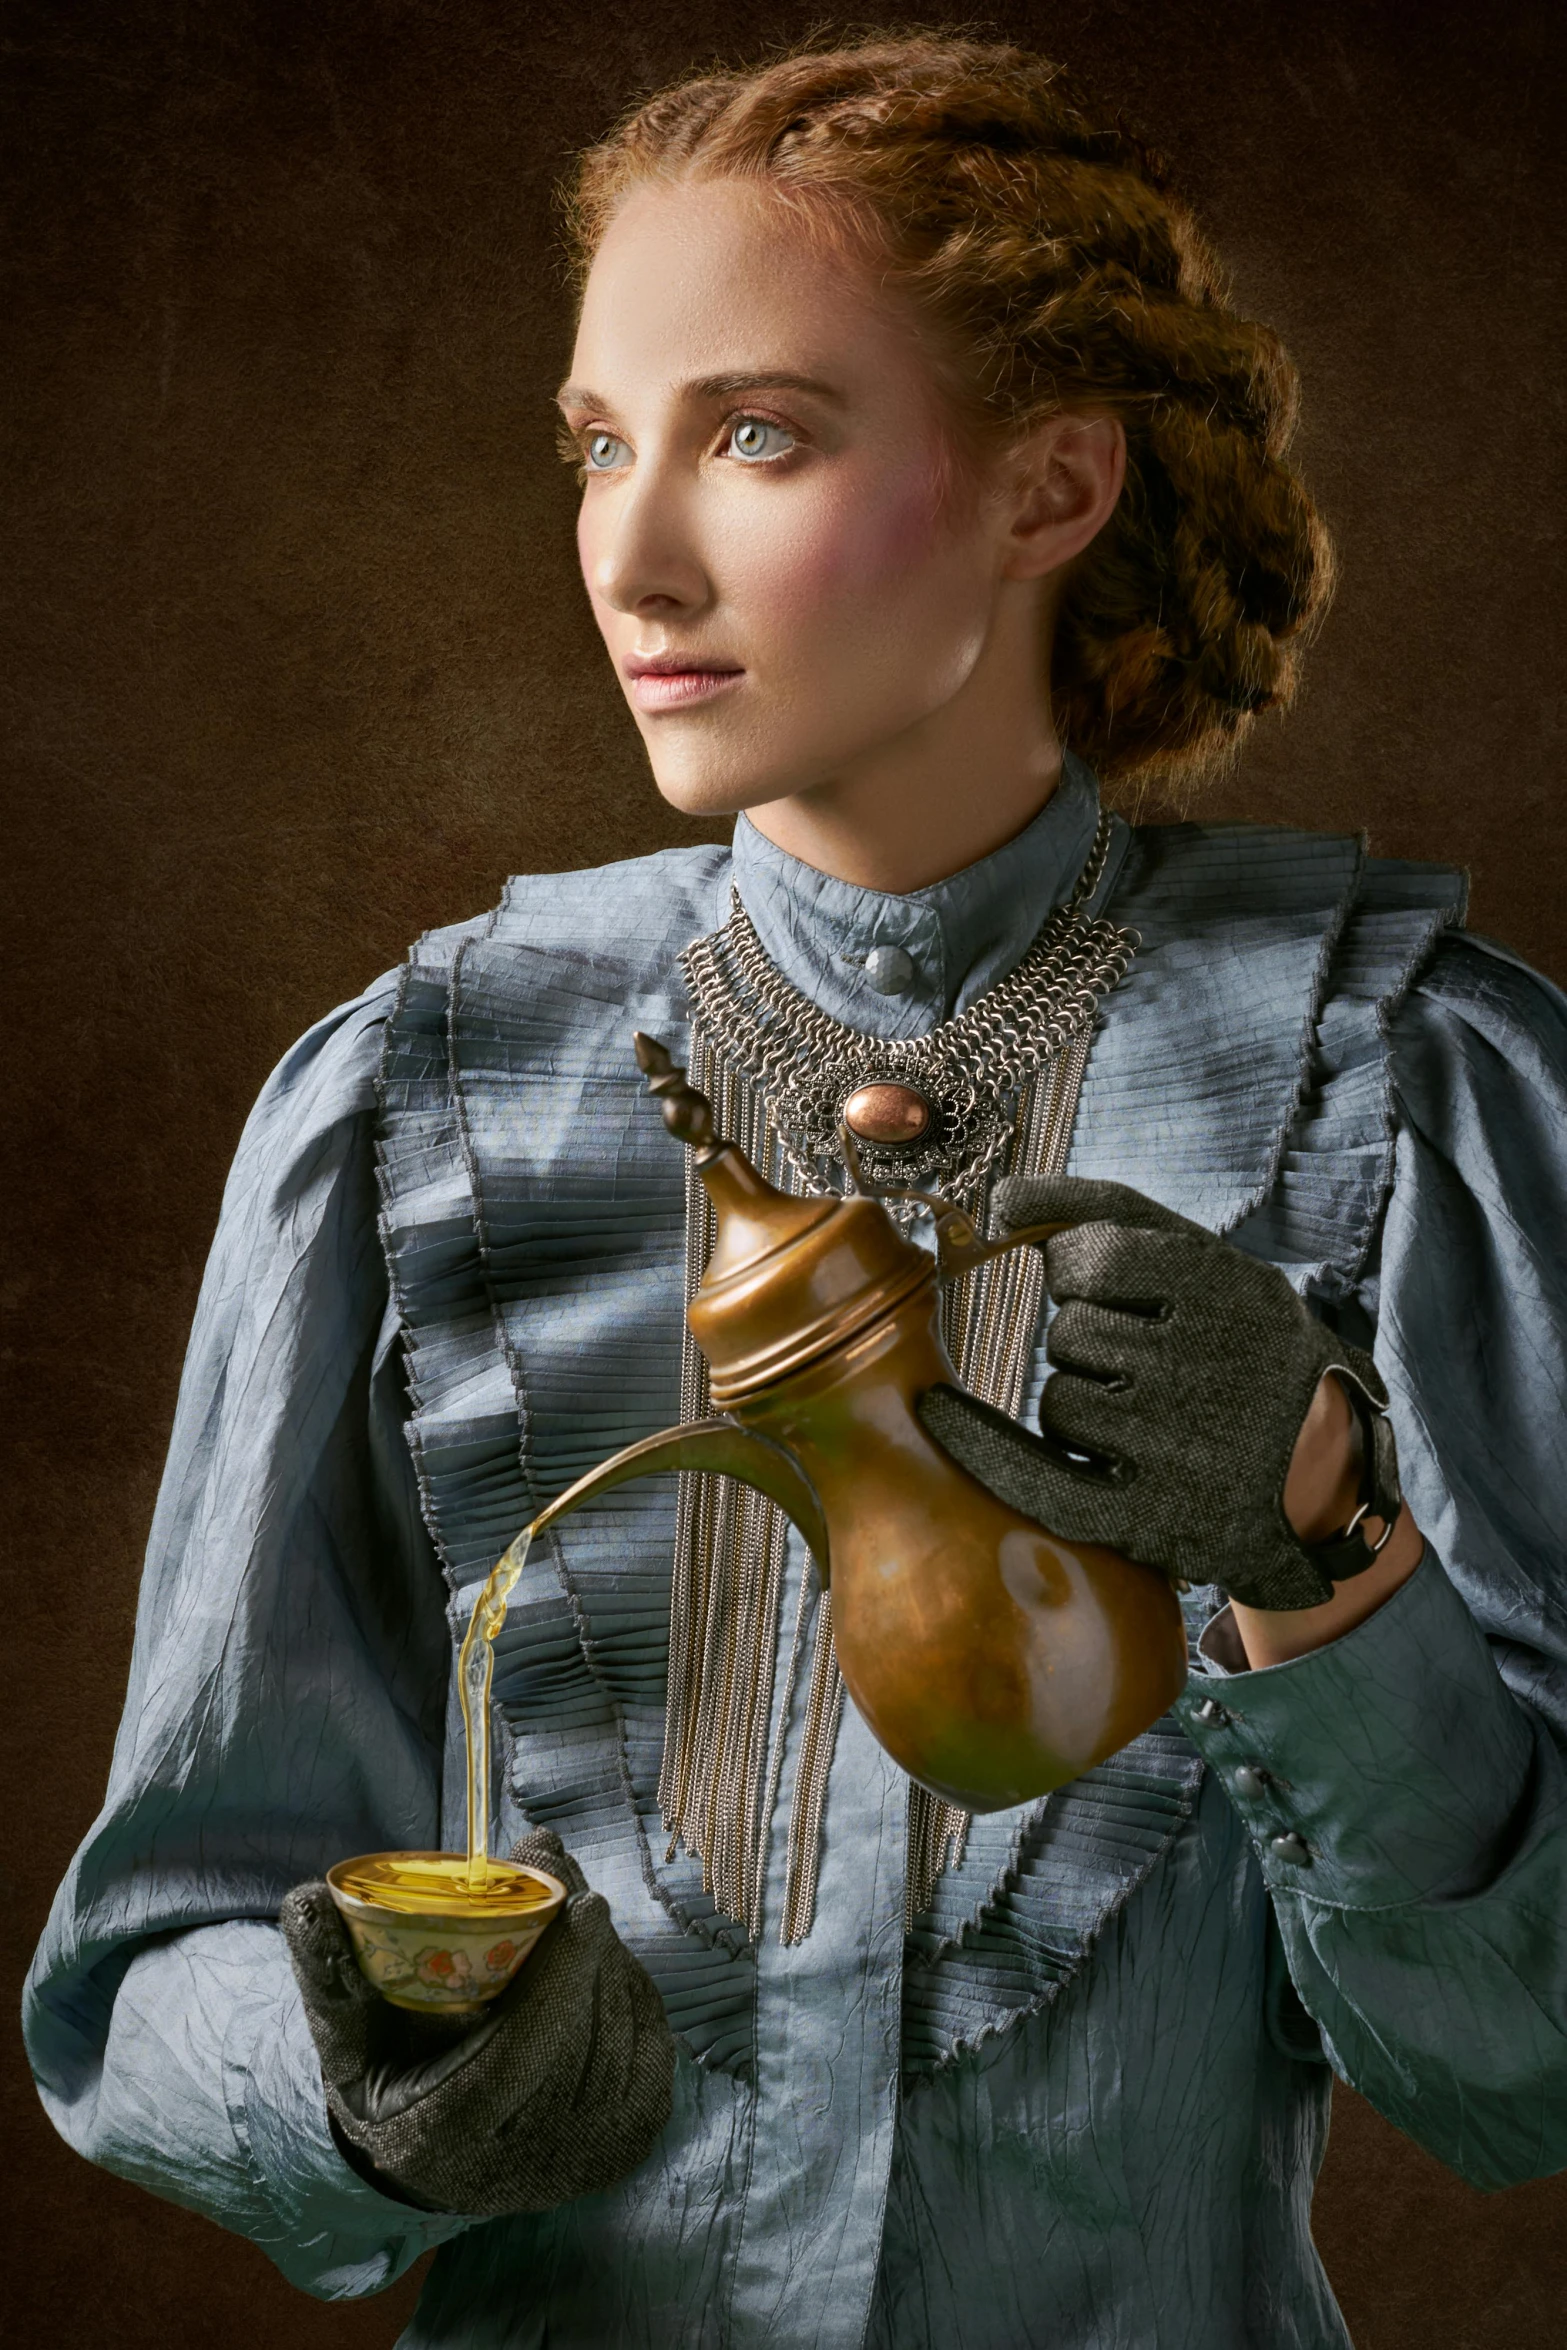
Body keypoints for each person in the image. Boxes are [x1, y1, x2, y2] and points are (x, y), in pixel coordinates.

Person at [24, 33, 1567, 2349]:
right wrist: (375, 2079)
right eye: (600, 443)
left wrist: (1330, 1553)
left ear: (1053, 486)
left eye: (761, 432)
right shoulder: (409, 1103)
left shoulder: (1409, 1082)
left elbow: (1518, 2076)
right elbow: (147, 1976)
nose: (633, 551)